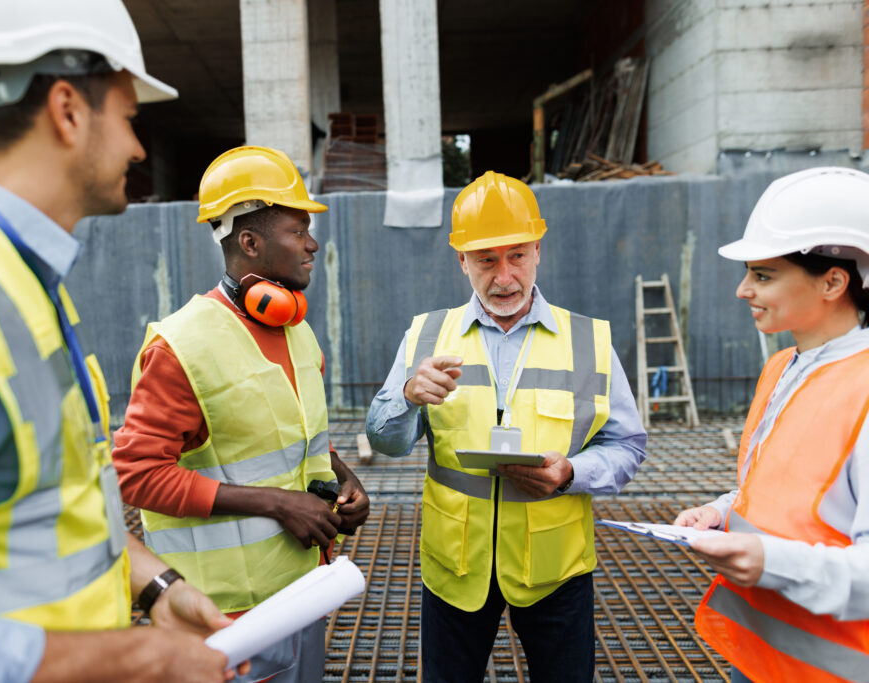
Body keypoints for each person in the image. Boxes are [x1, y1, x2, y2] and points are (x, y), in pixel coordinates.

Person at [0, 1, 246, 681]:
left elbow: (44, 519)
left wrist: (154, 587)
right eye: (127, 116)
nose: (139, 147)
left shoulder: (19, 283)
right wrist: (136, 657)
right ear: (67, 109)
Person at [365, 171, 646, 683]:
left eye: (517, 256)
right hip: (456, 567)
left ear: (538, 250)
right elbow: (384, 441)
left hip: (554, 570)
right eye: (486, 260)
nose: (504, 277)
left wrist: (571, 473)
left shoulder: (589, 341)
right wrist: (407, 397)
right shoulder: (427, 333)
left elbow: (627, 446)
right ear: (462, 261)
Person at [112, 145, 371, 683]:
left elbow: (299, 437)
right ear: (250, 243)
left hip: (300, 595)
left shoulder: (297, 330)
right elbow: (135, 476)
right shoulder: (182, 346)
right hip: (221, 619)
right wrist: (278, 505)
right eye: (297, 231)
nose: (312, 243)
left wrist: (344, 481)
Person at [674, 167, 869, 683]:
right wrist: (722, 511)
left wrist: (768, 560)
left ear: (833, 280)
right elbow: (780, 486)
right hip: (760, 658)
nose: (743, 290)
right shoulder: (783, 367)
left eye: (762, 275)